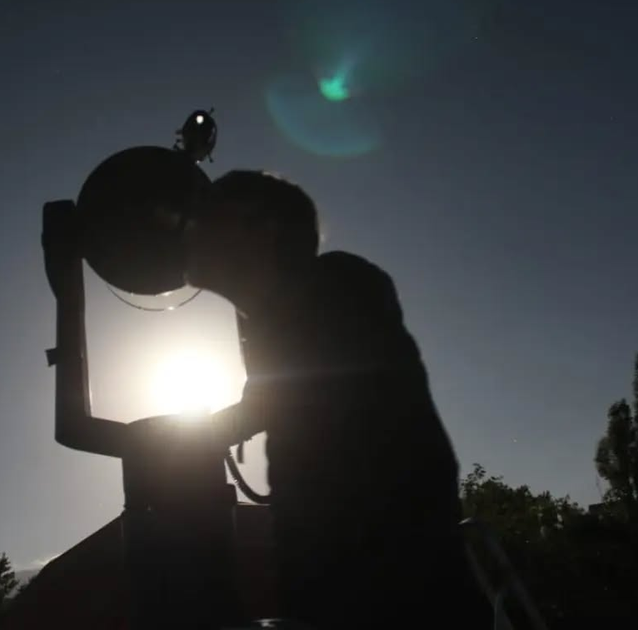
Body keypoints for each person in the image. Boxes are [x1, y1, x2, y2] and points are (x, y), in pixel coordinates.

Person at [140, 170, 490, 629]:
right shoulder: (283, 324)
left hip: (394, 598)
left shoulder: (339, 286)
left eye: (207, 216)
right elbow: (275, 397)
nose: (190, 228)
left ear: (260, 228)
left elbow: (299, 388)